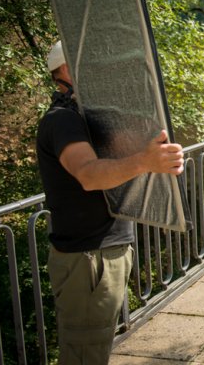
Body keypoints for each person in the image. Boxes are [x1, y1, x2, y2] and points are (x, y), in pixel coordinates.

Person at [36, 40, 185, 364]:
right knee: (84, 356)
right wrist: (145, 161)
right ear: (65, 70)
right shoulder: (62, 119)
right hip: (88, 259)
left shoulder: (87, 118)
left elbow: (127, 152)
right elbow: (89, 175)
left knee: (95, 350)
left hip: (104, 253)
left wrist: (155, 154)